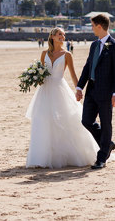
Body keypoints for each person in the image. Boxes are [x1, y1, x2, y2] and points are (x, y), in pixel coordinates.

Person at [25, 28, 99, 168]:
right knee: (43, 121)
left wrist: (78, 90)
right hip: (45, 91)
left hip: (60, 89)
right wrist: (34, 78)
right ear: (52, 36)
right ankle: (42, 157)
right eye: (60, 34)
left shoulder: (67, 55)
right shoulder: (44, 53)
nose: (62, 37)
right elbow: (41, 74)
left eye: (64, 35)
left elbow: (73, 74)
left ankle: (72, 154)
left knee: (66, 120)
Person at [76, 14, 115, 170]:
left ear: (99, 26)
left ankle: (101, 158)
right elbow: (87, 66)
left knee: (106, 123)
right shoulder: (94, 45)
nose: (91, 29)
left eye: (92, 25)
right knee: (86, 121)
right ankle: (107, 144)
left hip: (107, 92)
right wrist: (79, 87)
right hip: (91, 90)